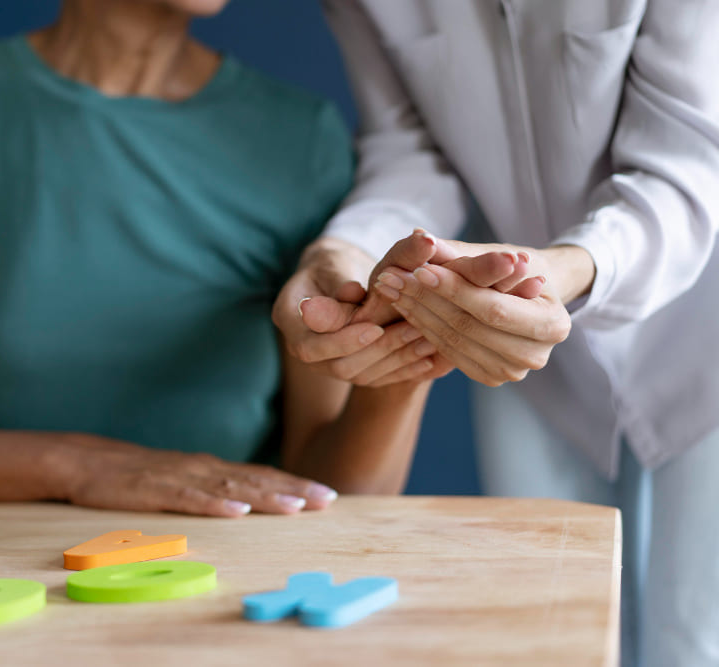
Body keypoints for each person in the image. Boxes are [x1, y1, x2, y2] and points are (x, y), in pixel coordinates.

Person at [0, 0, 526, 517]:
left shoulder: (298, 137)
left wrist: (410, 353)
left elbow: (323, 487)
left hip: (224, 604)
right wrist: (74, 466)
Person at [273, 2, 719, 665]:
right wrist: (341, 257)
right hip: (503, 334)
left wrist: (559, 270)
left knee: (695, 636)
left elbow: (685, 161)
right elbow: (410, 148)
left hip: (695, 325)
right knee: (548, 628)